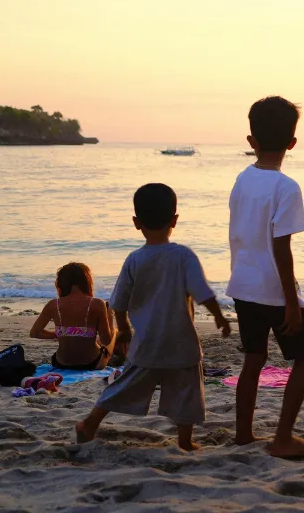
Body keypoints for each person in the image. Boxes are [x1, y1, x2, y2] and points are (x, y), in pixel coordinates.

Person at [75, 183, 230, 451]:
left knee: (124, 385)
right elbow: (202, 291)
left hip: (147, 342)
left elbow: (119, 301)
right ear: (175, 220)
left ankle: (90, 422)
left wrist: (123, 329)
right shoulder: (183, 256)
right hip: (181, 341)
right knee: (187, 390)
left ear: (136, 222)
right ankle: (184, 441)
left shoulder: (134, 259)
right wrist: (219, 317)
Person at [227, 96, 304, 458]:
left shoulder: (243, 179)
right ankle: (283, 436)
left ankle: (243, 435)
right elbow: (281, 249)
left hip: (243, 284)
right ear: (292, 143)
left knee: (254, 358)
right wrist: (291, 303)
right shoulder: (286, 188)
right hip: (273, 290)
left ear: (251, 141)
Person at [30, 262, 116, 371]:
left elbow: (34, 333)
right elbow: (106, 340)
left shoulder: (53, 304)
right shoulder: (97, 304)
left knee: (91, 339)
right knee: (114, 332)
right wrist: (109, 316)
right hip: (91, 363)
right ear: (86, 281)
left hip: (60, 363)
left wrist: (60, 334)